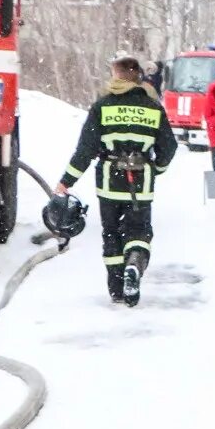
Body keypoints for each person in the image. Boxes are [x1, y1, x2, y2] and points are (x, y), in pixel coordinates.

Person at [55, 56, 178, 306]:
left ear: (118, 75)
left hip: (110, 183)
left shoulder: (103, 106)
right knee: (139, 232)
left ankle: (117, 288)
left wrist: (66, 181)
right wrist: (157, 168)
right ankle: (134, 263)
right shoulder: (152, 107)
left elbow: (85, 150)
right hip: (140, 183)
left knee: (111, 234)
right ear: (138, 77)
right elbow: (169, 145)